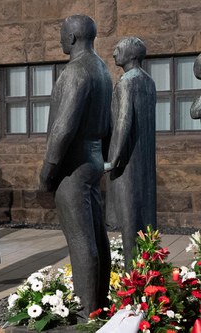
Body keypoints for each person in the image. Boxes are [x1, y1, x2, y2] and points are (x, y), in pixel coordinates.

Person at [39, 15, 112, 321]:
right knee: (96, 236)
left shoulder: (75, 71)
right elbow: (107, 123)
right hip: (93, 160)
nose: (60, 40)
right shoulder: (102, 70)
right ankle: (99, 302)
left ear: (71, 38)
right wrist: (104, 159)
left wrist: (48, 168)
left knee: (82, 240)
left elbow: (63, 128)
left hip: (73, 165)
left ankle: (86, 314)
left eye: (61, 35)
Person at [105, 37, 157, 268]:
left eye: (119, 49)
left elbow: (124, 121)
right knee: (145, 220)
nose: (114, 52)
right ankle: (149, 271)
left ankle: (132, 279)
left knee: (129, 221)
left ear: (132, 55)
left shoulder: (126, 82)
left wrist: (113, 159)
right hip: (145, 160)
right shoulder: (149, 81)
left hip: (127, 161)